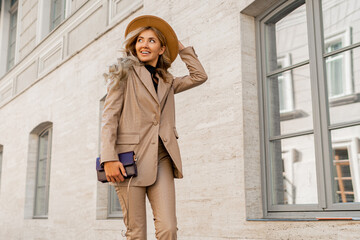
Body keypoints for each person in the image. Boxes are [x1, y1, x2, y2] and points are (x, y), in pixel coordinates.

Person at [100, 15, 207, 240]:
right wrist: (108, 158)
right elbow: (109, 117)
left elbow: (199, 76)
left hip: (161, 158)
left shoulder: (167, 80)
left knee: (168, 229)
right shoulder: (123, 72)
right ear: (134, 46)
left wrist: (181, 47)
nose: (144, 44)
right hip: (129, 161)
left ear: (161, 49)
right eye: (140, 40)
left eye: (151, 40)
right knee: (136, 233)